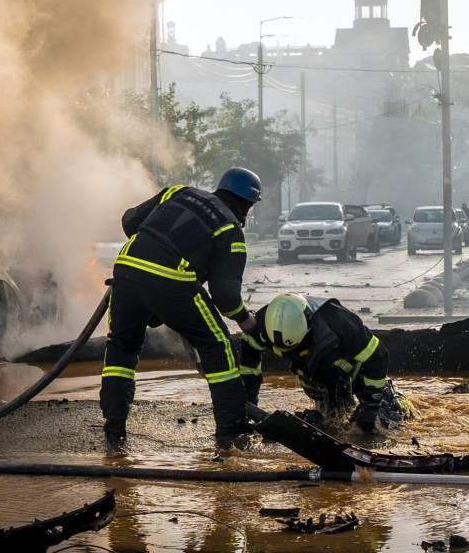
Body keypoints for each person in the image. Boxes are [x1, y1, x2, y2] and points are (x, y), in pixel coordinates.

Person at [101, 167, 261, 449]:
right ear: (247, 203)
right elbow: (225, 298)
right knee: (218, 345)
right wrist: (246, 320)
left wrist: (150, 247)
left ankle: (114, 429)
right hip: (172, 281)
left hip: (125, 272)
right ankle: (233, 433)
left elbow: (130, 220)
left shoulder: (179, 191)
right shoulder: (229, 229)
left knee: (121, 349)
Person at [240, 293, 414, 433]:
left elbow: (378, 356)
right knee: (326, 426)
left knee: (390, 418)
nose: (288, 353)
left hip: (355, 374)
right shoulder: (263, 326)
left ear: (308, 325)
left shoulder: (340, 323)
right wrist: (249, 404)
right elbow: (249, 366)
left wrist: (370, 404)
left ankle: (390, 403)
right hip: (317, 377)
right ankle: (325, 417)